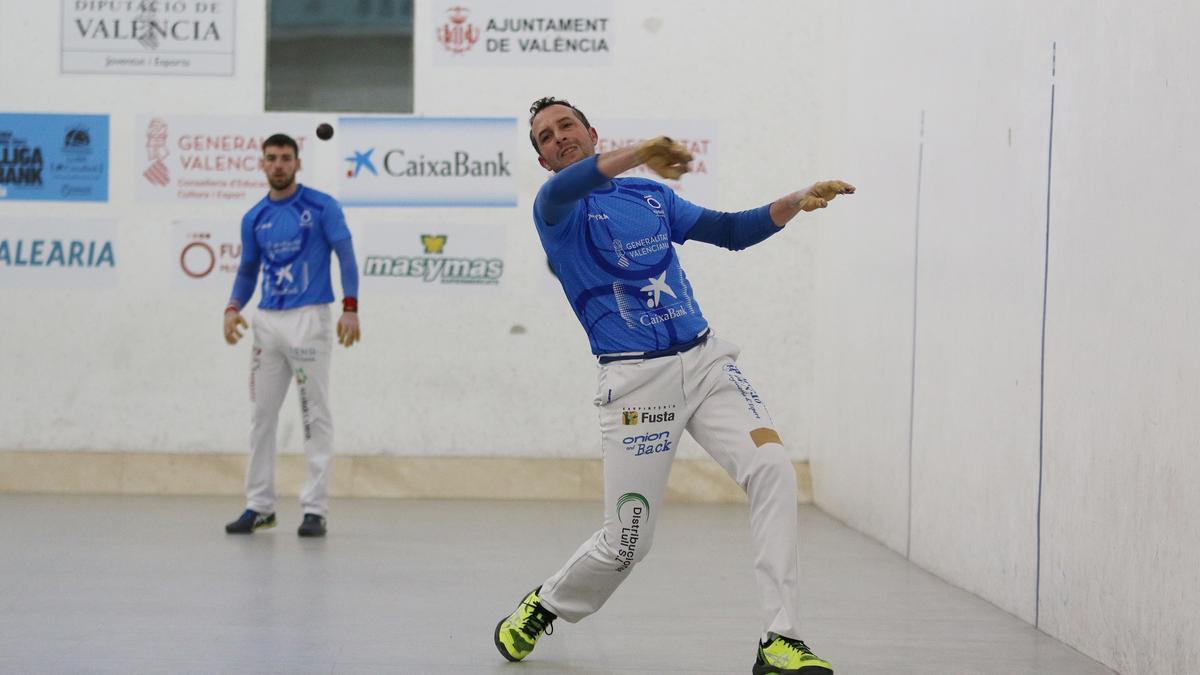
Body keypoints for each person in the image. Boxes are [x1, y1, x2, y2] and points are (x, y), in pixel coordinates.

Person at [493, 98, 854, 675]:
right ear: (541, 160)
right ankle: (543, 606)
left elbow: (730, 231)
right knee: (627, 543)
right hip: (637, 385)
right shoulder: (553, 207)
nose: (558, 137)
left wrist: (792, 203)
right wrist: (638, 152)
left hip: (708, 363)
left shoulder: (651, 197)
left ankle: (780, 640)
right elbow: (583, 180)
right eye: (545, 136)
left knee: (773, 469)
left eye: (567, 126)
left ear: (591, 131)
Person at [221, 133, 361, 538]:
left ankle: (314, 508)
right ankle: (259, 505)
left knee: (314, 416)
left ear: (297, 163)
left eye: (285, 158)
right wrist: (233, 307)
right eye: (271, 158)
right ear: (262, 165)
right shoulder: (254, 218)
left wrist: (350, 308)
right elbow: (248, 270)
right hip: (267, 322)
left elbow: (346, 256)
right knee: (261, 417)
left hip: (310, 319)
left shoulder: (321, 207)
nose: (278, 164)